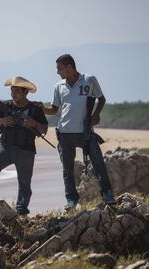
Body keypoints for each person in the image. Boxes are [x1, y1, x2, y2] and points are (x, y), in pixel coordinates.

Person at [36, 54, 115, 210]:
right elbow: (54, 110)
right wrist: (42, 108)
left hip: (85, 132)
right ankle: (71, 200)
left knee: (99, 164)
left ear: (69, 67)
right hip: (65, 134)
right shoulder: (59, 86)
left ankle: (108, 195)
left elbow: (102, 99)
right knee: (67, 170)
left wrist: (96, 114)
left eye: (60, 68)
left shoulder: (89, 79)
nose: (57, 72)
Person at [0, 76, 48, 216]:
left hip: (26, 150)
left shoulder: (35, 109)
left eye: (16, 91)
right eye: (12, 90)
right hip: (5, 147)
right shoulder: (5, 106)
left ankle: (21, 210)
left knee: (24, 183)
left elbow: (44, 130)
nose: (12, 93)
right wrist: (2, 120)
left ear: (25, 92)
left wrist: (33, 123)